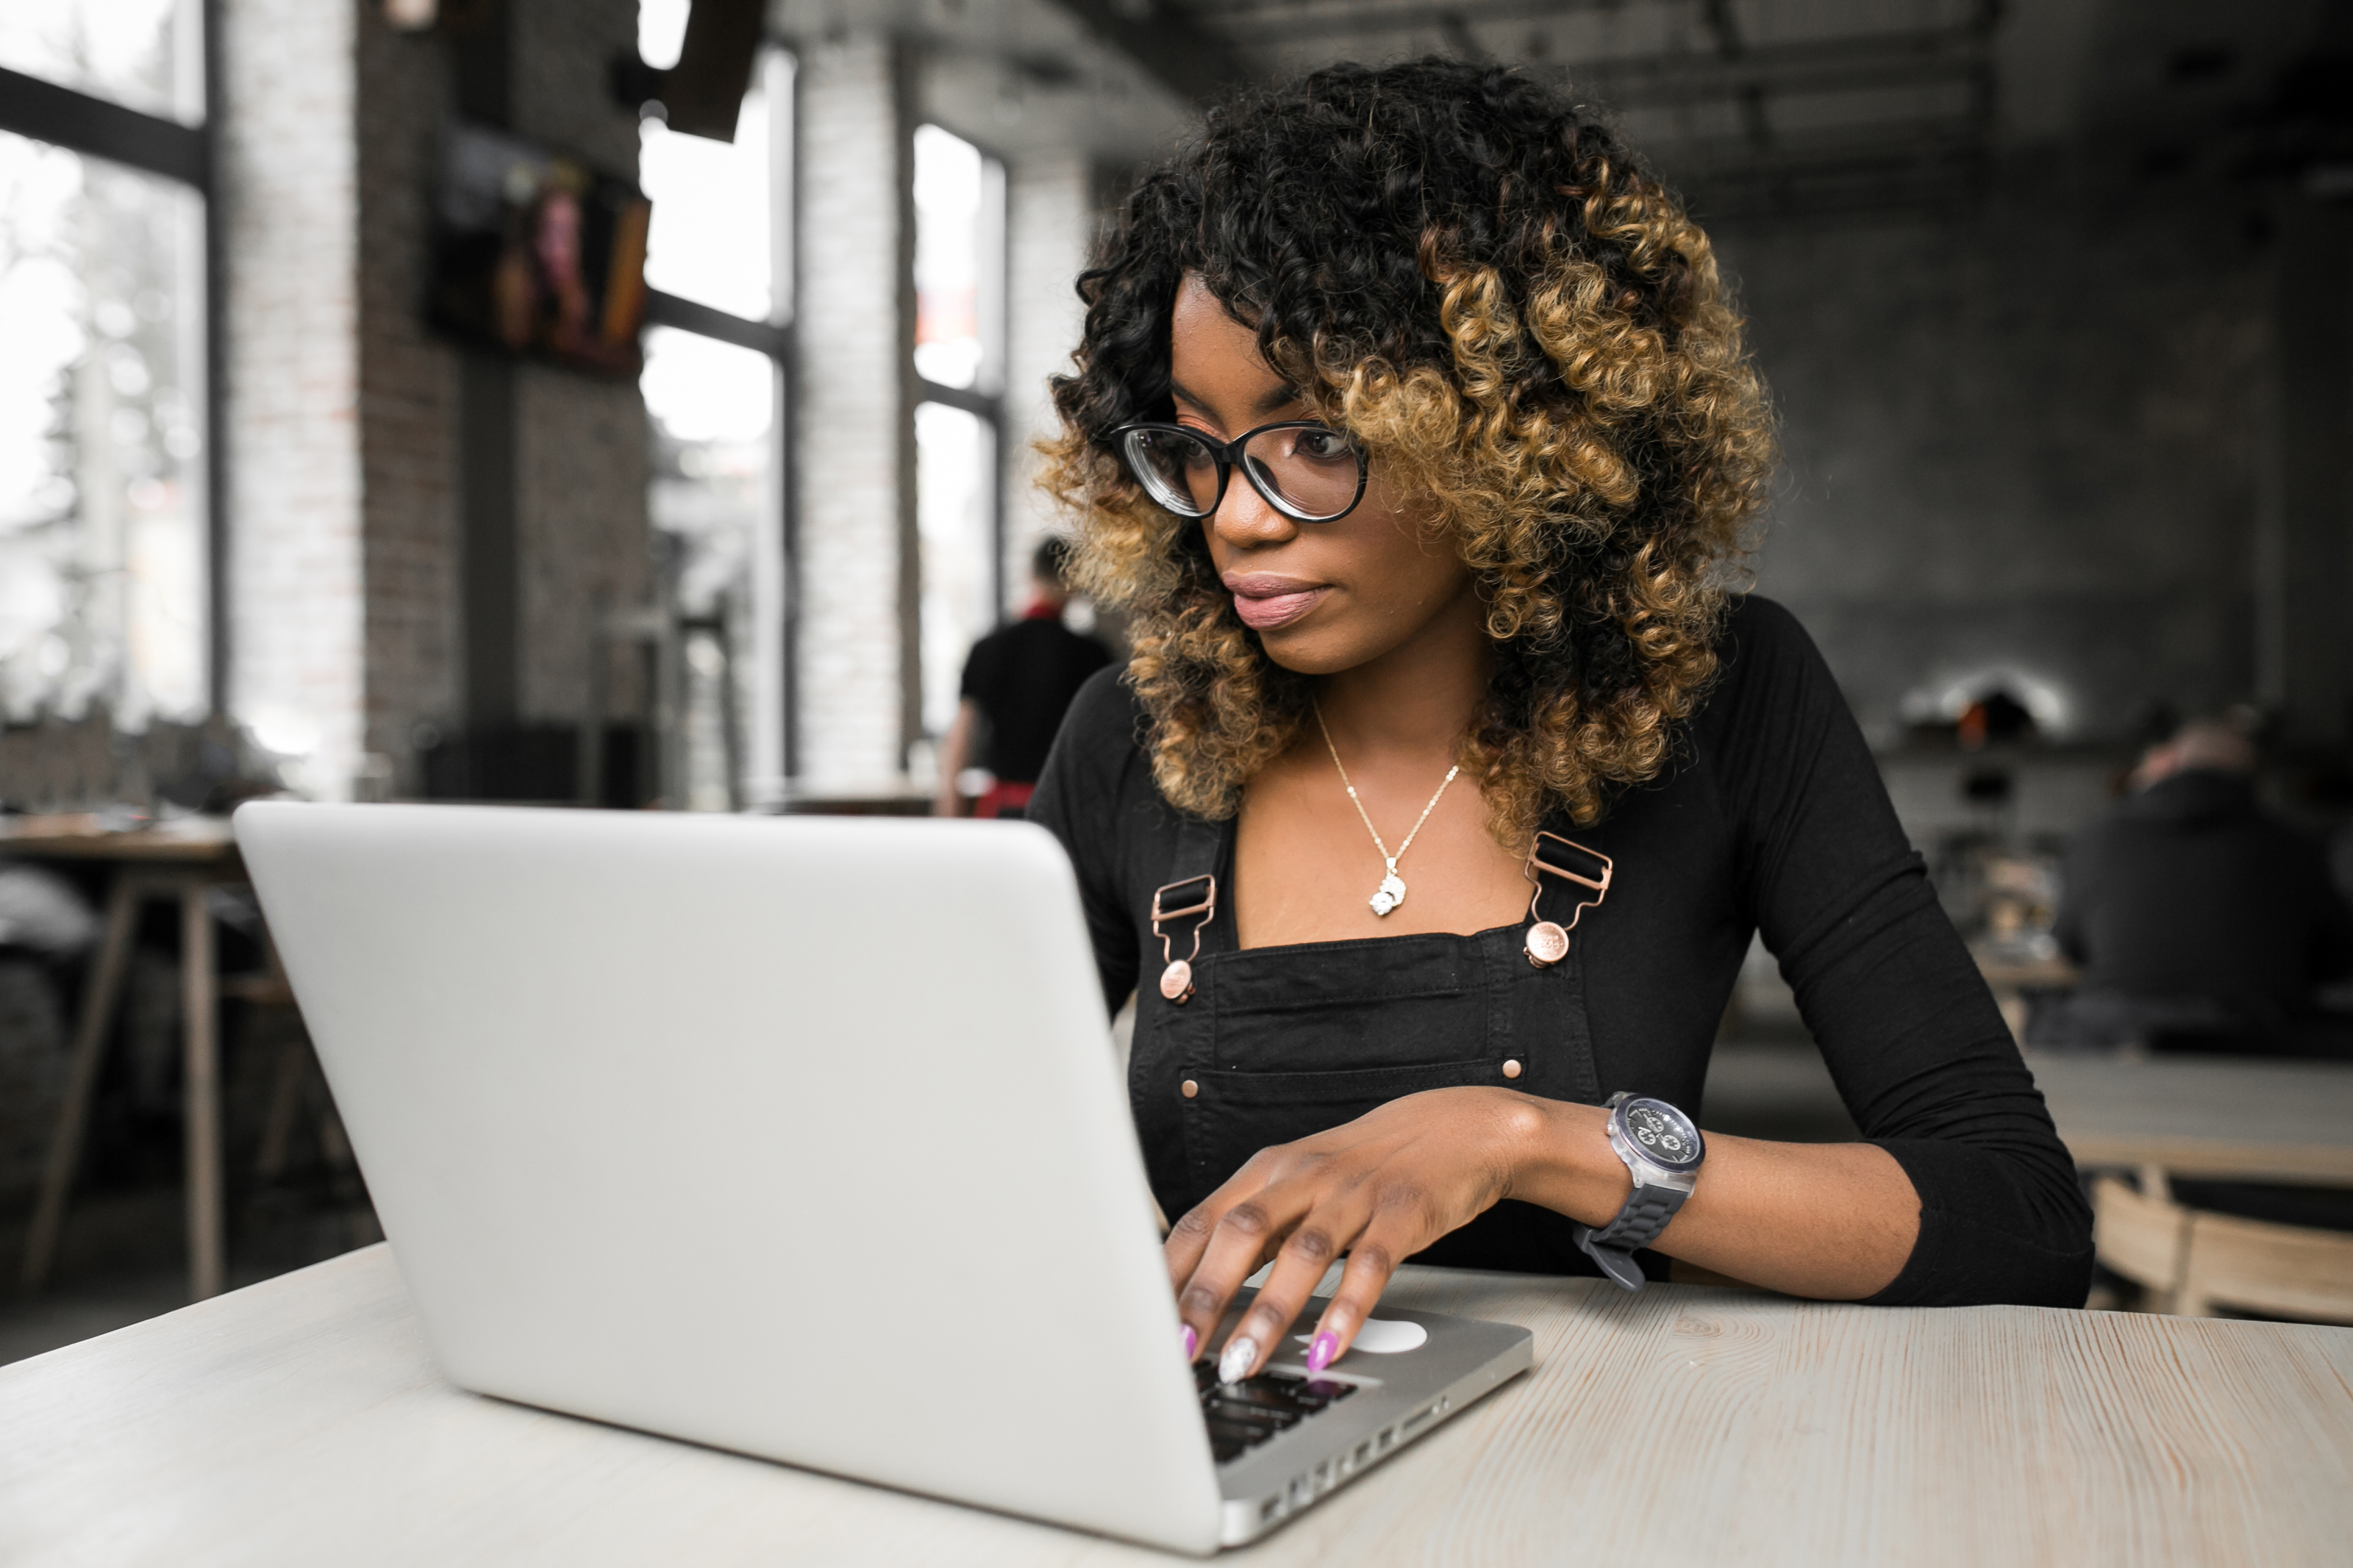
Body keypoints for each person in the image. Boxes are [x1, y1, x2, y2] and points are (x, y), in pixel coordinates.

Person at [1025, 58, 2093, 1385]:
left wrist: (1527, 1138)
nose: (1238, 513)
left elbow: (2020, 1219)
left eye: (1314, 439)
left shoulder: (1732, 697)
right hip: (1238, 1453)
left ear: (1509, 432)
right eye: (1197, 444)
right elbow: (957, 1145)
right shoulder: (1128, 741)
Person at [2036, 718, 2353, 1056]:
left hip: (2119, 1042)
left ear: (2168, 763)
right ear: (2256, 781)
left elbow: (2070, 948)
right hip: (2253, 1049)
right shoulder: (2298, 845)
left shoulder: (2091, 839)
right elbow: (2334, 960)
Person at [933, 537, 1111, 820]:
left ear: (1031, 575)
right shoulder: (1092, 655)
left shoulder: (988, 648)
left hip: (1005, 810)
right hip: (1068, 812)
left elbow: (959, 745)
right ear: (1076, 582)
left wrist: (948, 821)